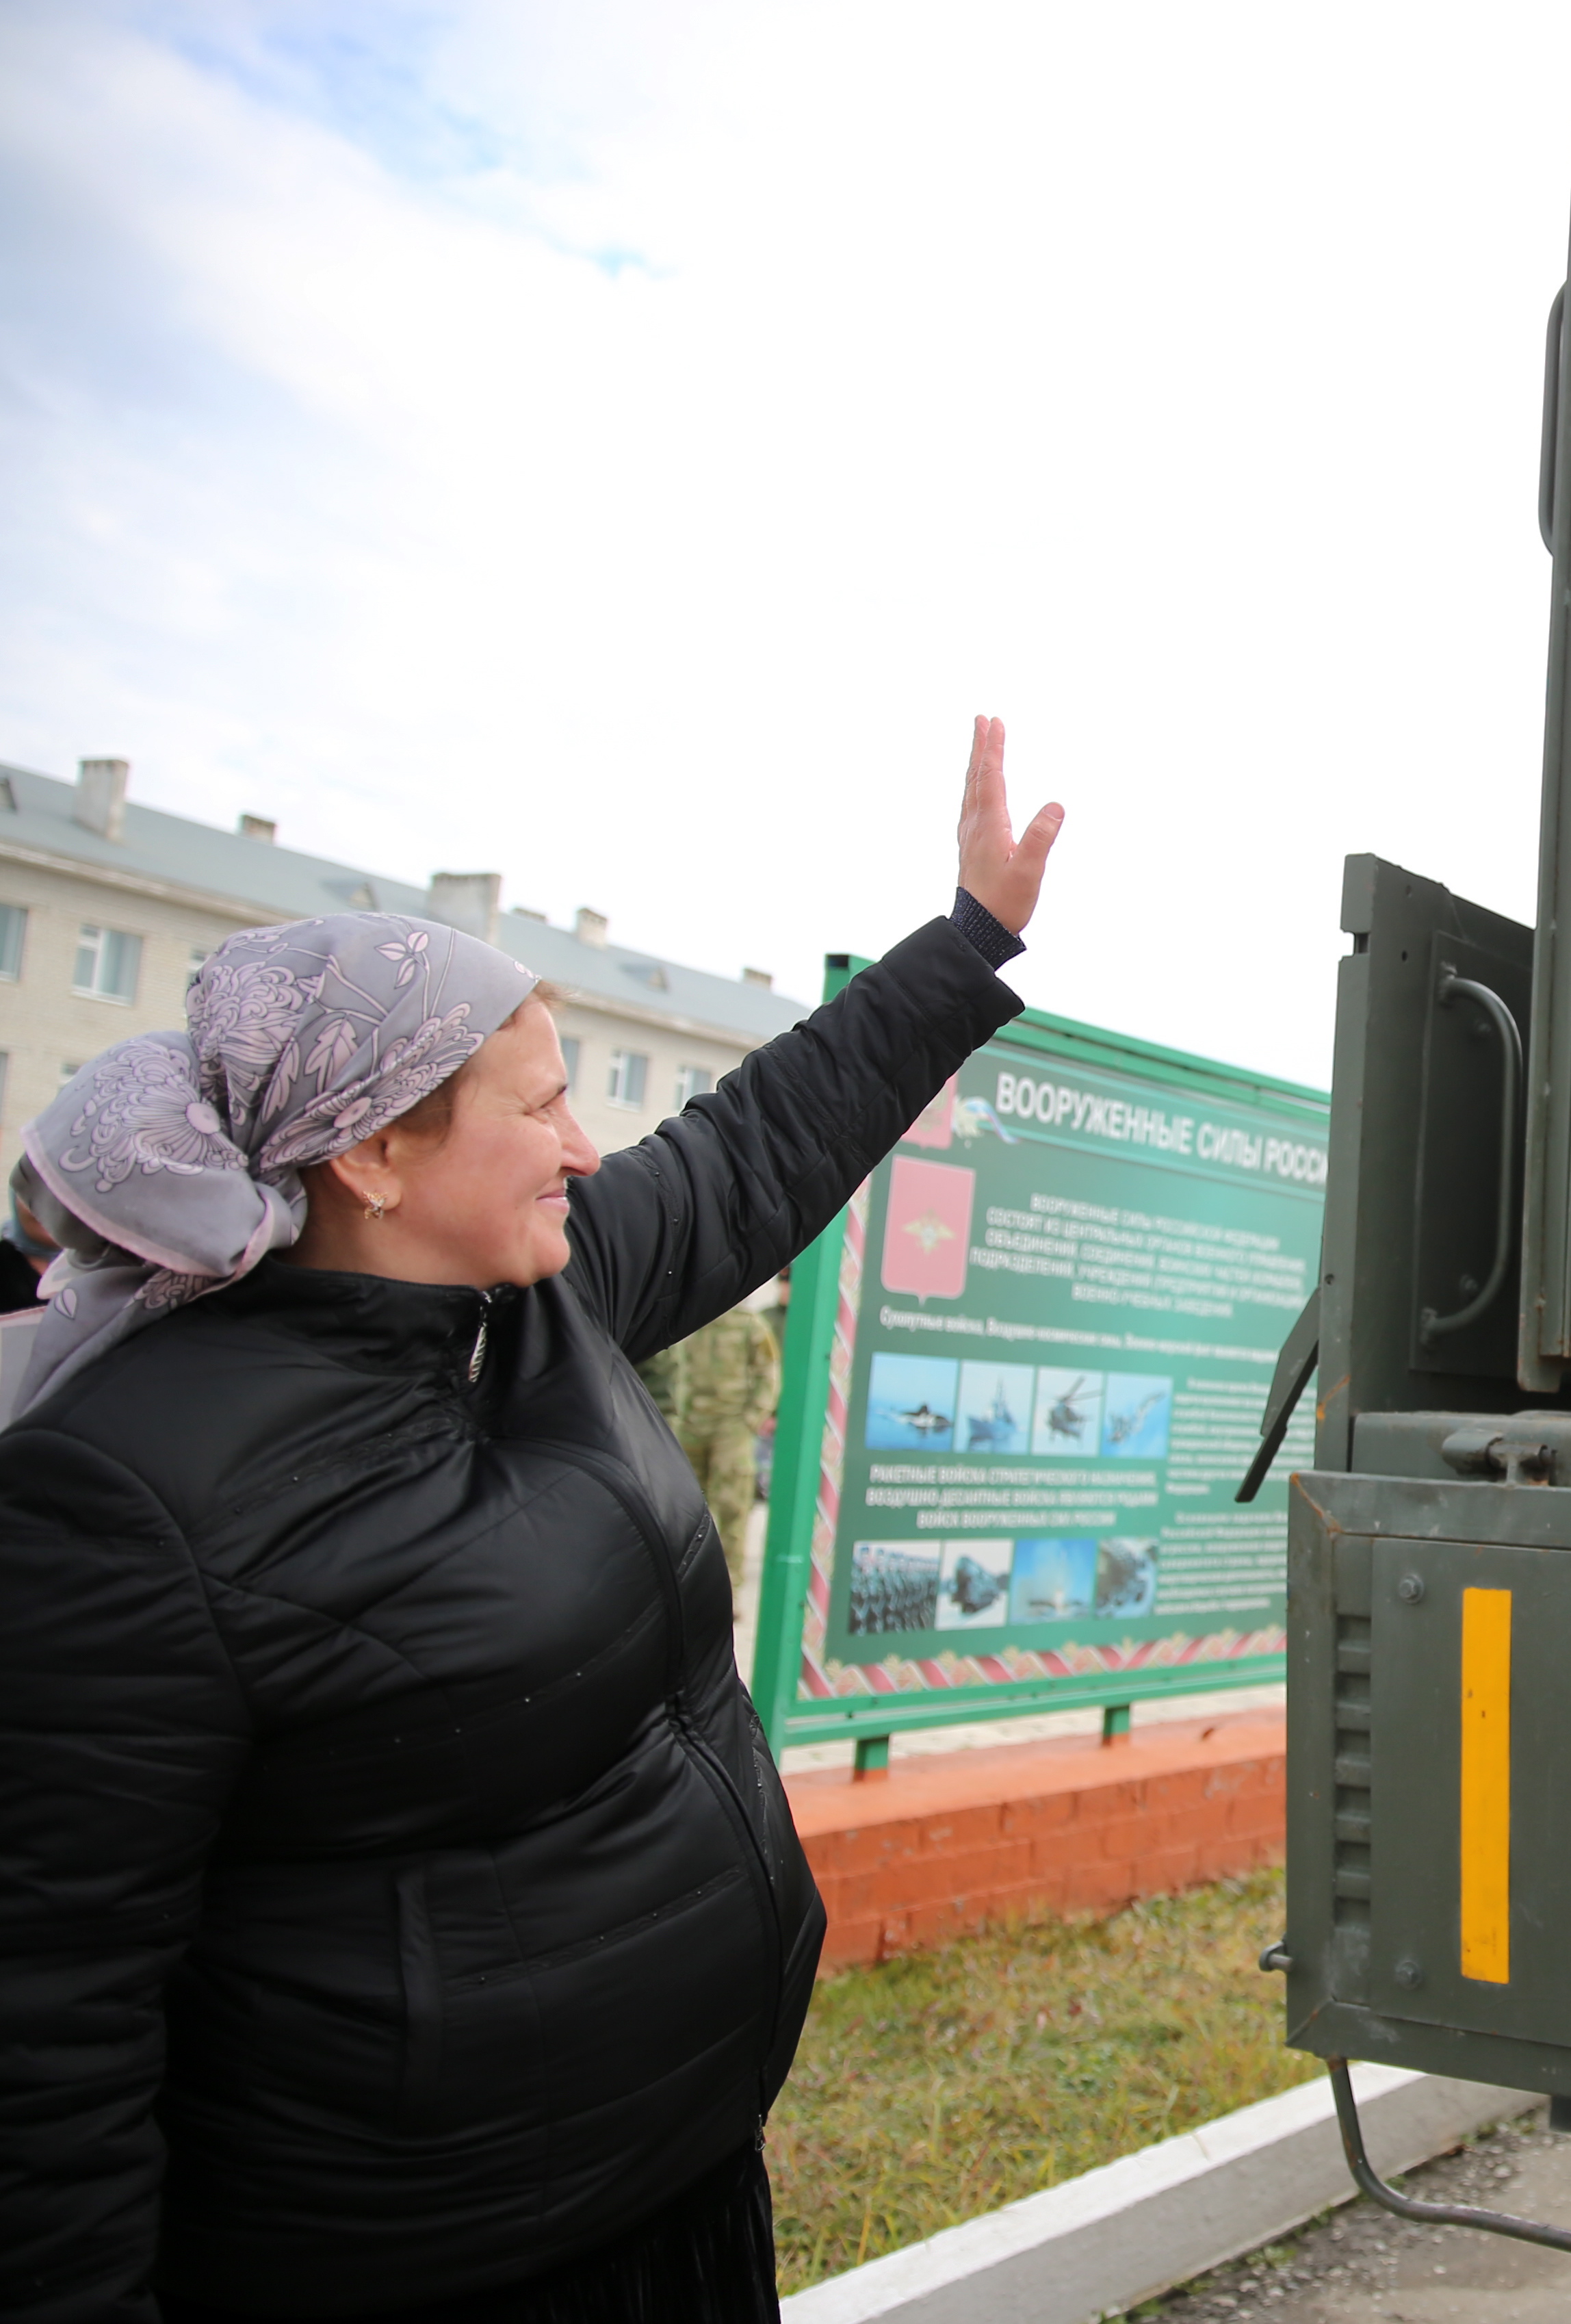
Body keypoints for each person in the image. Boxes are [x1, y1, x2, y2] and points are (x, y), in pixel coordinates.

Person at [0, 719, 1064, 2323]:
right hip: (435, 2271)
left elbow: (753, 1149)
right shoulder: (122, 1496)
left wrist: (970, 938)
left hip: (679, 2194)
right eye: (542, 1107)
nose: (583, 1146)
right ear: (375, 1152)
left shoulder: (537, 1297)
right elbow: (46, 2015)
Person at [645, 1291, 783, 1586]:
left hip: (730, 1428)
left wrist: (751, 1419)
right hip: (687, 1425)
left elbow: (768, 1372)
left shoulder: (748, 1324)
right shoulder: (687, 1320)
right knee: (683, 1508)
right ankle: (684, 1585)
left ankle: (731, 1585)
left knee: (732, 1507)